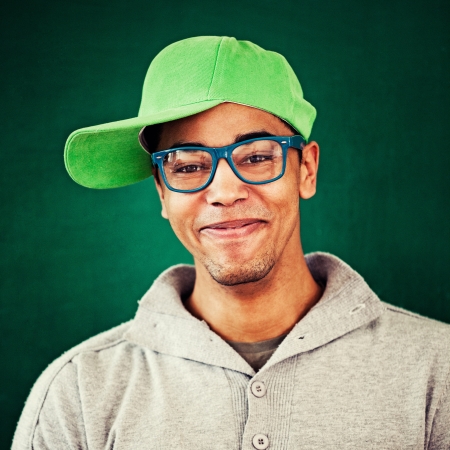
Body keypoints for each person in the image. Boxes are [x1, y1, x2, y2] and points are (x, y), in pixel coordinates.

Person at [12, 36, 450, 449]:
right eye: (186, 166)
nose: (224, 191)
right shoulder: (79, 391)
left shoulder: (437, 369)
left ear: (307, 170)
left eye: (257, 156)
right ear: (162, 193)